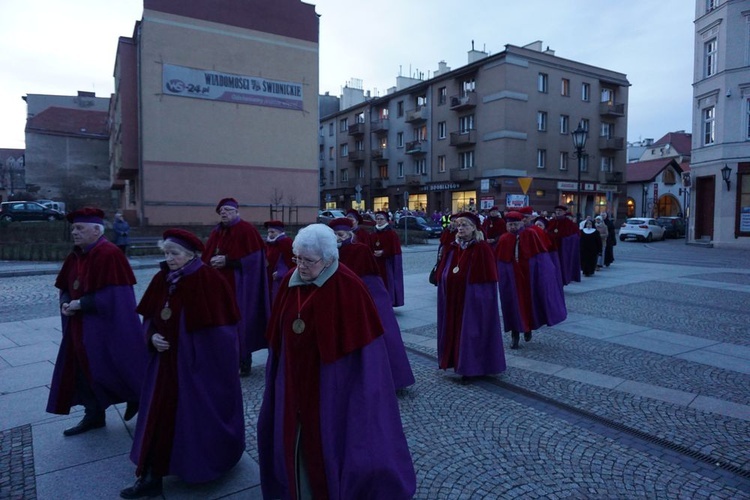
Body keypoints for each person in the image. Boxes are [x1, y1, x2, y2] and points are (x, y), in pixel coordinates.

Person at [257, 224, 416, 499]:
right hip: (293, 378)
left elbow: (366, 357)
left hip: (331, 383)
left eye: (308, 260)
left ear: (330, 259)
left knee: (327, 440)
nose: (301, 266)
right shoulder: (289, 282)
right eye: (297, 258)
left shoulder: (348, 286)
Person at [122, 229, 245, 499]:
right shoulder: (162, 278)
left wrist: (188, 348)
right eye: (166, 253)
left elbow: (223, 334)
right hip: (164, 367)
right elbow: (150, 318)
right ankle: (151, 475)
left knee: (191, 419)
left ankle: (199, 465)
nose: (169, 258)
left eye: (174, 253)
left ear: (191, 255)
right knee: (158, 416)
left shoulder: (209, 280)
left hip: (195, 369)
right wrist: (151, 336)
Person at [46, 207, 146, 436]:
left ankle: (138, 398)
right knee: (82, 369)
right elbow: (65, 286)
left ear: (96, 230)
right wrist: (65, 301)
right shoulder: (75, 255)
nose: (75, 232)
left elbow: (116, 296)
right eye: (73, 229)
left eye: (80, 228)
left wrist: (81, 304)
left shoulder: (110, 254)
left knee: (112, 367)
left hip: (104, 328)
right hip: (79, 326)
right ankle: (94, 415)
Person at [329, 217, 415, 390]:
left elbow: (372, 282)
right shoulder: (329, 254)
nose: (337, 238)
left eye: (340, 234)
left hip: (362, 302)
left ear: (349, 234)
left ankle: (389, 378)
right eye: (334, 235)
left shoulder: (360, 250)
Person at [202, 197, 269, 376]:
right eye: (221, 211)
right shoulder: (217, 232)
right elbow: (206, 254)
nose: (224, 213)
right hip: (219, 287)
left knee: (241, 323)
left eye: (227, 210)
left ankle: (244, 362)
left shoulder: (247, 230)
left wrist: (228, 261)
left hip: (240, 286)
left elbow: (255, 260)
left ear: (236, 212)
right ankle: (223, 360)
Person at [435, 212, 506, 377]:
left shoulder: (482, 248)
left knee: (471, 331)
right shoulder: (454, 247)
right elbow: (444, 271)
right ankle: (455, 362)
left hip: (471, 301)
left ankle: (472, 367)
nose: (460, 228)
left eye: (464, 225)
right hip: (453, 299)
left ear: (474, 228)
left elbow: (486, 281)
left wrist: (475, 296)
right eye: (458, 225)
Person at [496, 212, 567, 349]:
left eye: (515, 224)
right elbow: (499, 261)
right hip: (511, 282)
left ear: (521, 223)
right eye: (510, 225)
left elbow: (540, 259)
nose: (512, 227)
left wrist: (543, 276)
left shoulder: (530, 235)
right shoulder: (504, 239)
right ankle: (514, 335)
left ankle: (528, 328)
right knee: (512, 307)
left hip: (528, 280)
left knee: (529, 305)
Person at [369, 210, 405, 307]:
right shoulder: (373, 234)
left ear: (386, 221)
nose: (379, 221)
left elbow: (394, 248)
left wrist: (384, 252)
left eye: (381, 219)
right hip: (375, 262)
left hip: (387, 263)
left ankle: (388, 302)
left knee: (387, 283)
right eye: (377, 219)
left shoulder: (391, 234)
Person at [546, 204, 581, 285]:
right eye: (557, 211)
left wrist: (565, 240)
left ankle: (562, 282)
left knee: (562, 266)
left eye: (560, 211)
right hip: (552, 249)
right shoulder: (551, 222)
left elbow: (576, 236)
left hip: (563, 250)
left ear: (564, 212)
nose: (558, 212)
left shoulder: (569, 224)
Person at [263, 220, 295, 302]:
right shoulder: (269, 244)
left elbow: (291, 261)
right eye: (269, 232)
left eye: (272, 232)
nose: (270, 234)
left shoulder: (286, 242)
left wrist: (282, 271)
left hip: (279, 277)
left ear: (279, 232)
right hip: (269, 275)